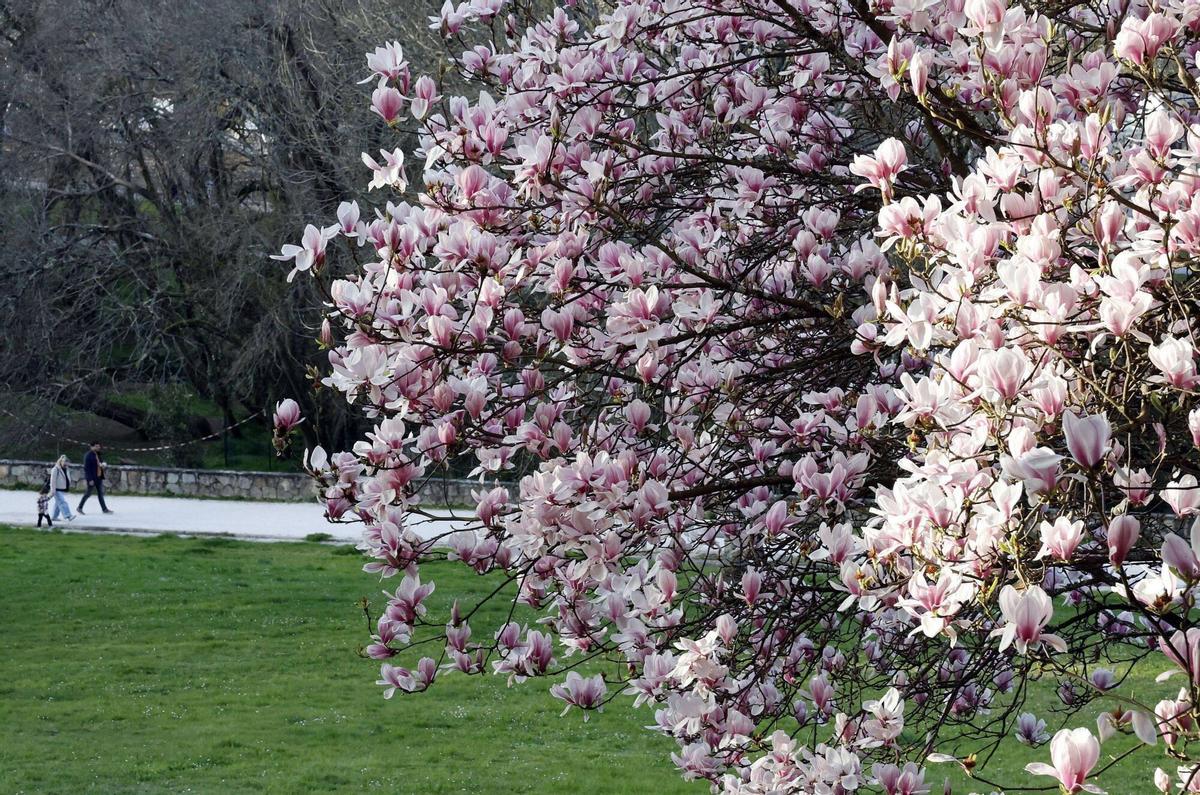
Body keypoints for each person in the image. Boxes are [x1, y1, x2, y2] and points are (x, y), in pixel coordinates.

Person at [77, 442, 112, 515]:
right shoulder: (88, 456)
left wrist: (103, 464)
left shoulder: (97, 454)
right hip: (92, 478)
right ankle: (79, 507)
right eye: (96, 446)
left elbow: (101, 462)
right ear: (91, 447)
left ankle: (104, 509)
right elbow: (87, 469)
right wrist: (90, 479)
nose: (98, 448)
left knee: (100, 494)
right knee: (88, 494)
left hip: (98, 477)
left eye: (99, 446)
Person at [47, 455, 75, 522]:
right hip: (56, 490)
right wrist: (52, 491)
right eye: (65, 463)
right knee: (62, 502)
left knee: (58, 503)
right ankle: (68, 516)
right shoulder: (55, 469)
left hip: (62, 489)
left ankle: (54, 517)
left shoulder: (66, 469)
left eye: (67, 463)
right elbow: (52, 481)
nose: (66, 465)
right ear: (61, 461)